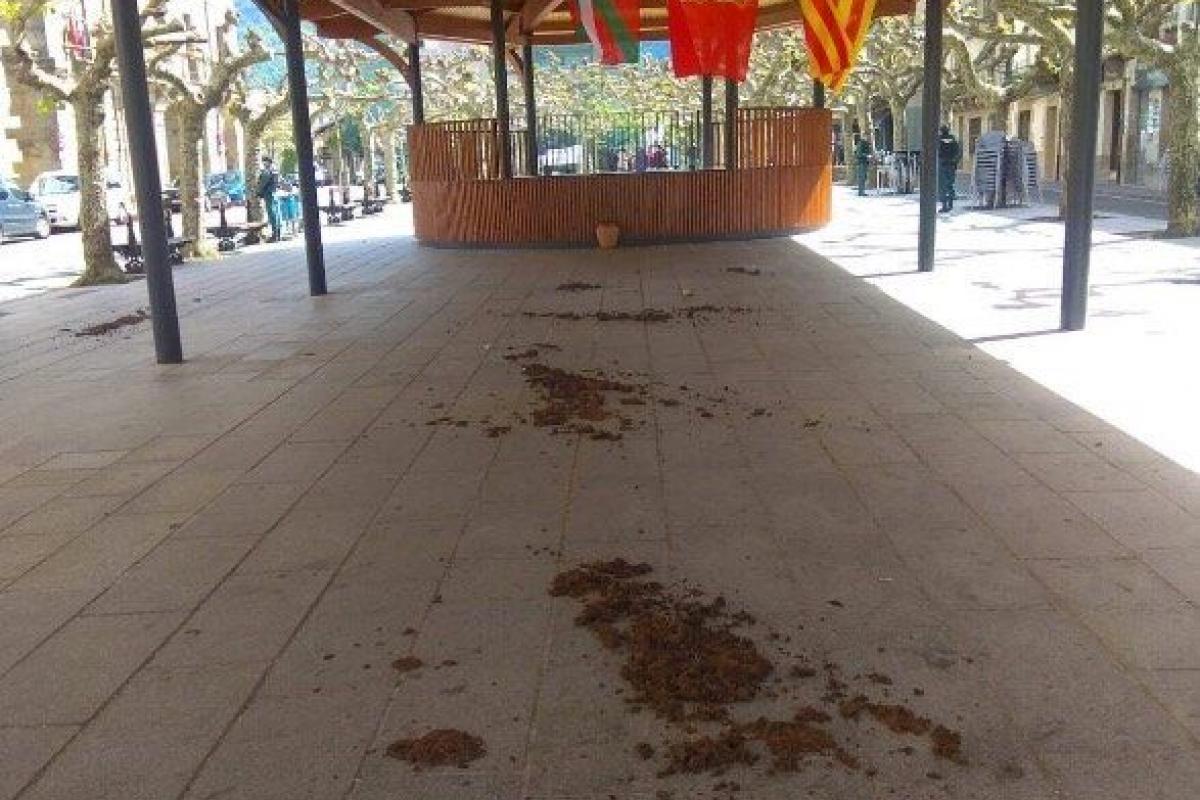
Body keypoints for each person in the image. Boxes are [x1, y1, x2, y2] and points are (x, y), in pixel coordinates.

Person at [937, 124, 962, 213]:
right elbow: (959, 153)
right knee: (950, 185)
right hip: (951, 165)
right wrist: (954, 161)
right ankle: (950, 204)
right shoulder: (953, 140)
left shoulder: (939, 140)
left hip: (943, 165)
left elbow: (937, 151)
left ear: (941, 131)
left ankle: (944, 205)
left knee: (942, 186)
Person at [257, 155, 281, 242]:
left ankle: (275, 234)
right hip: (274, 192)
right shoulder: (275, 169)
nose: (263, 163)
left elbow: (263, 183)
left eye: (264, 161)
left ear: (267, 161)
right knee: (276, 213)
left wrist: (259, 192)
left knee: (272, 213)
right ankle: (278, 233)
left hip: (268, 193)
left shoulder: (267, 171)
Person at [853, 132, 872, 196]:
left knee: (864, 177)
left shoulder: (866, 143)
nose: (868, 138)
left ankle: (862, 191)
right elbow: (859, 154)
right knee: (862, 177)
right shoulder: (861, 143)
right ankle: (861, 192)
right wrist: (867, 155)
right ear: (863, 137)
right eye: (867, 136)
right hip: (861, 162)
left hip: (864, 162)